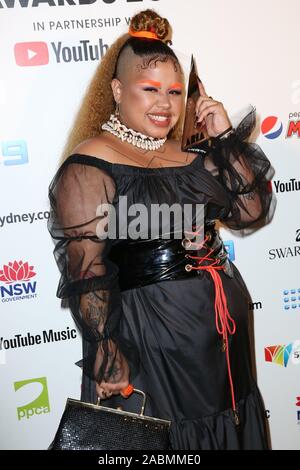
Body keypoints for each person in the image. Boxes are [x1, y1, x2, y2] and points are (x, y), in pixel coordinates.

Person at [48, 9, 275, 450]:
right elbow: (87, 271)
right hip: (152, 342)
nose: (165, 104)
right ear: (117, 90)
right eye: (149, 89)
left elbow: (251, 210)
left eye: (174, 91)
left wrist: (224, 137)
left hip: (222, 340)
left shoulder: (191, 157)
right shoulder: (90, 163)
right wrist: (107, 352)